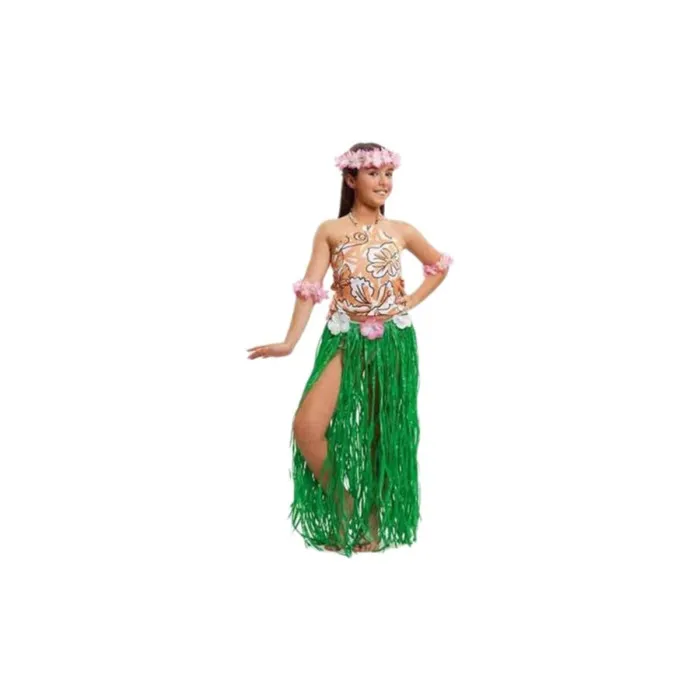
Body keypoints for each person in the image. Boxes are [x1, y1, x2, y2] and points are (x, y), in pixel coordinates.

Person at [247, 142, 453, 556]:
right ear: (350, 178)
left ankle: (373, 523)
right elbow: (311, 288)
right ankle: (344, 504)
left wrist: (409, 302)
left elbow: (439, 265)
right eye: (373, 173)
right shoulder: (331, 230)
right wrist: (289, 342)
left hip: (391, 341)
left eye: (388, 174)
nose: (383, 182)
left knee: (380, 432)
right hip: (343, 338)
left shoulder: (402, 231)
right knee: (308, 427)